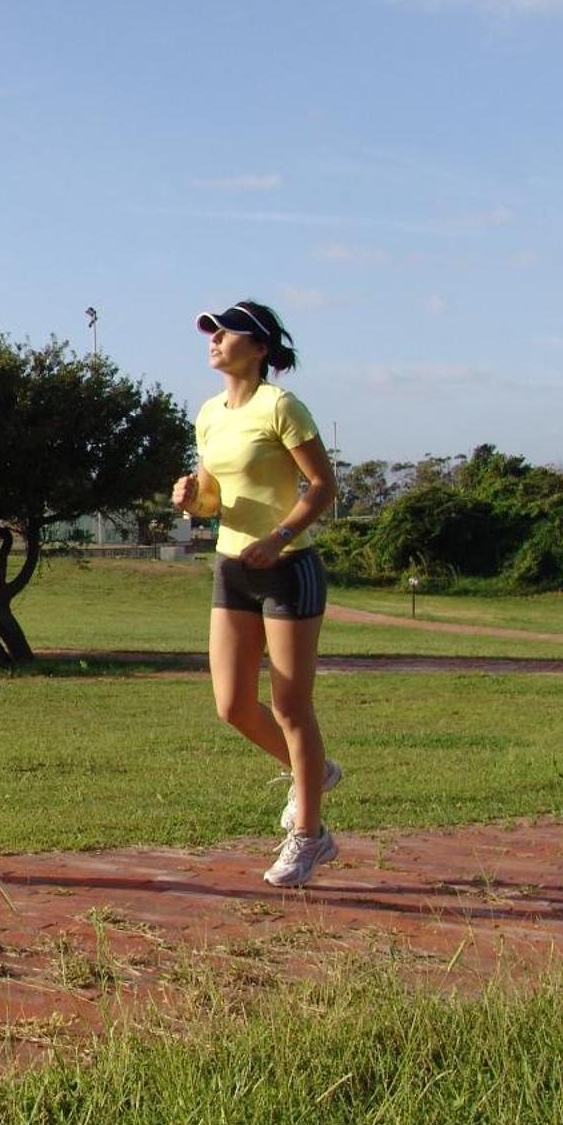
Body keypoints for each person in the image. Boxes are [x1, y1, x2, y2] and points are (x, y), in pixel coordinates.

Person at [171, 301, 343, 887]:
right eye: (211, 333)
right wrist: (193, 500)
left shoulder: (281, 406)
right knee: (232, 706)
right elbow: (217, 500)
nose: (214, 340)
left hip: (289, 568)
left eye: (226, 332)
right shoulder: (209, 414)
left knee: (291, 706)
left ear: (260, 348)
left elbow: (323, 487)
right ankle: (313, 773)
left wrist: (280, 535)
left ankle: (308, 837)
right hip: (232, 567)